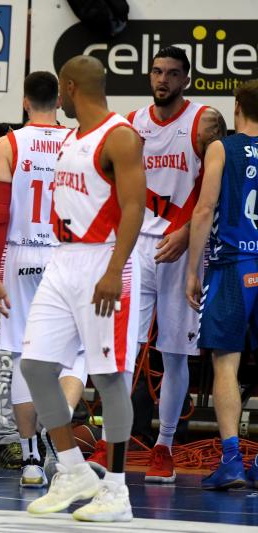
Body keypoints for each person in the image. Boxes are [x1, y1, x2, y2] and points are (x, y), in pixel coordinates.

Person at [86, 46, 227, 482]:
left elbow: (216, 186)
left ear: (186, 79)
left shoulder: (204, 120)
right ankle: (115, 442)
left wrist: (187, 234)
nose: (162, 79)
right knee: (121, 348)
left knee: (174, 351)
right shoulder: (131, 124)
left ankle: (165, 445)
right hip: (136, 247)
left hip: (184, 246)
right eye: (156, 71)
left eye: (172, 73)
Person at [20, 55, 145, 522]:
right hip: (63, 259)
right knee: (34, 366)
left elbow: (134, 207)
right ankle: (72, 470)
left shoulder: (120, 136)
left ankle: (117, 491)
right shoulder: (72, 137)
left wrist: (113, 270)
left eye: (61, 91)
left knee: (110, 376)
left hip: (104, 260)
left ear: (70, 87)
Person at [0, 71, 87, 488]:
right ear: (60, 100)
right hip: (67, 253)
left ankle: (30, 459)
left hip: (20, 252)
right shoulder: (78, 142)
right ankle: (56, 428)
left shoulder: (8, 143)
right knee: (76, 354)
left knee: (24, 356)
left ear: (25, 101)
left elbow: (0, 210)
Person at [186, 79, 258, 490]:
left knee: (226, 362)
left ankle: (232, 460)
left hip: (232, 265)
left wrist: (193, 270)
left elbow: (204, 209)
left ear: (237, 107)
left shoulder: (222, 148)